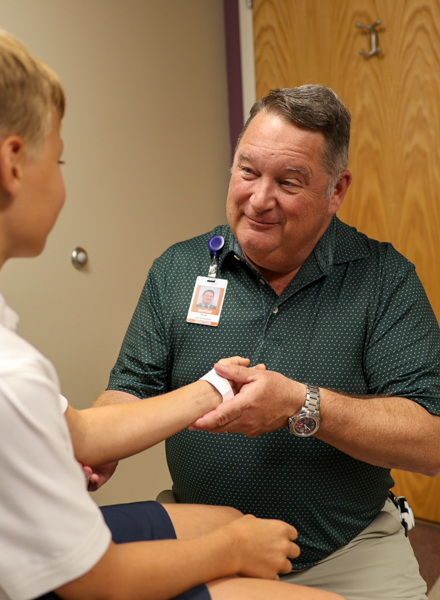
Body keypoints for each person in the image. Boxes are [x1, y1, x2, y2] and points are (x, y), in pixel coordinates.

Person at [0, 19, 345, 600]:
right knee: (276, 567)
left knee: (225, 518)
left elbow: (75, 430)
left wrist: (216, 387)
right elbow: (97, 584)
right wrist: (234, 552)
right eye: (57, 161)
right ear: (10, 166)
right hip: (20, 583)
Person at [96, 85, 440, 600]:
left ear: (337, 189)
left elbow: (432, 441)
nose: (259, 199)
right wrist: (98, 444)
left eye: (289, 182)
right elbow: (130, 388)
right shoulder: (177, 270)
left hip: (347, 554)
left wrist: (304, 407)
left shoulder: (383, 279)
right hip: (204, 540)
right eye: (248, 171)